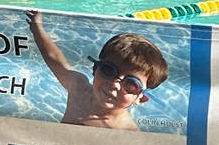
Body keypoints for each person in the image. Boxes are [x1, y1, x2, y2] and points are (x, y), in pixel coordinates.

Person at [27, 10, 170, 128]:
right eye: (108, 71)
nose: (115, 84)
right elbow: (54, 58)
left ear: (141, 98)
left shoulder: (125, 131)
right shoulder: (79, 89)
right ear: (95, 70)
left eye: (131, 84)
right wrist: (36, 27)